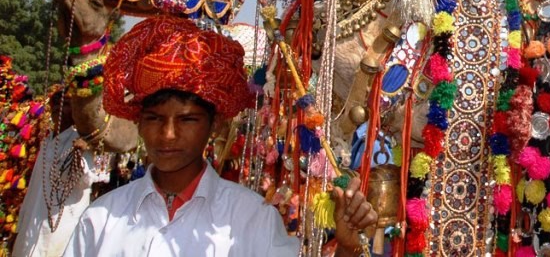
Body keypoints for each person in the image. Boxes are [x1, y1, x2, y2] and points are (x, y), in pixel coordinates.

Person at [63, 14, 377, 256]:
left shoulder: (252, 219)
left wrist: (348, 250)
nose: (167, 134)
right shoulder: (101, 219)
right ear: (139, 122)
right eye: (154, 118)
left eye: (187, 120)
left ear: (213, 125)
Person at [12, 89, 104, 257]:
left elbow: (86, 181)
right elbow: (33, 187)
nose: (58, 107)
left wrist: (80, 155)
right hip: (31, 224)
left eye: (65, 104)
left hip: (60, 227)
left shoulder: (83, 142)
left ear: (76, 111)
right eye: (55, 103)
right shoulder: (47, 142)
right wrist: (21, 225)